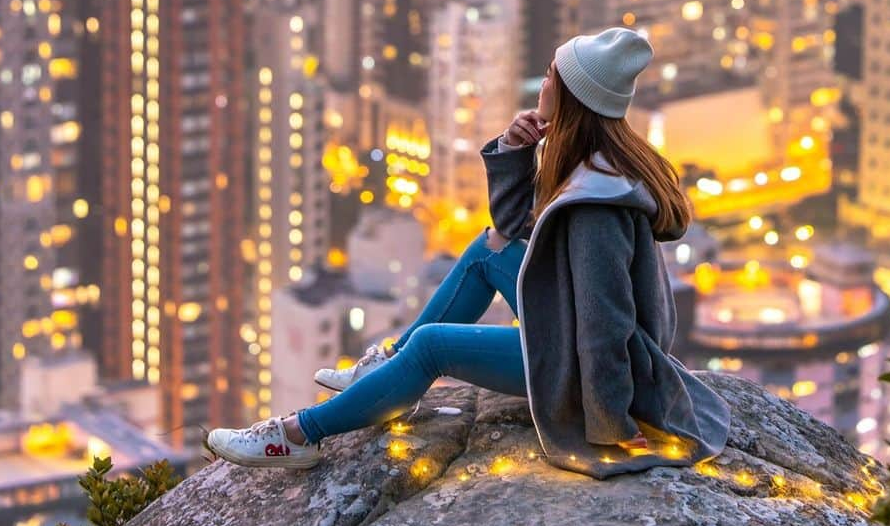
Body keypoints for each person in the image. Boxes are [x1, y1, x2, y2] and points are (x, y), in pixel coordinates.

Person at [206, 27, 731, 476]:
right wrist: (515, 151)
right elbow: (510, 227)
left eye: (551, 75)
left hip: (584, 365)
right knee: (488, 250)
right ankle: (387, 367)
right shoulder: (591, 164)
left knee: (433, 346)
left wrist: (608, 424)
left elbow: (604, 323)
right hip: (568, 327)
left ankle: (300, 435)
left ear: (572, 95)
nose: (543, 82)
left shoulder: (597, 205)